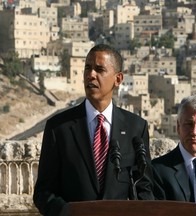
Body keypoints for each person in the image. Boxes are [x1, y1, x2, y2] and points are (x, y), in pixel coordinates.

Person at [33, 44, 154, 216]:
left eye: (99, 69)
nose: (91, 75)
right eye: (87, 68)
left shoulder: (135, 127)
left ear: (118, 79)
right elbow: (44, 193)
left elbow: (144, 188)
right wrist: (69, 213)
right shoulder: (59, 128)